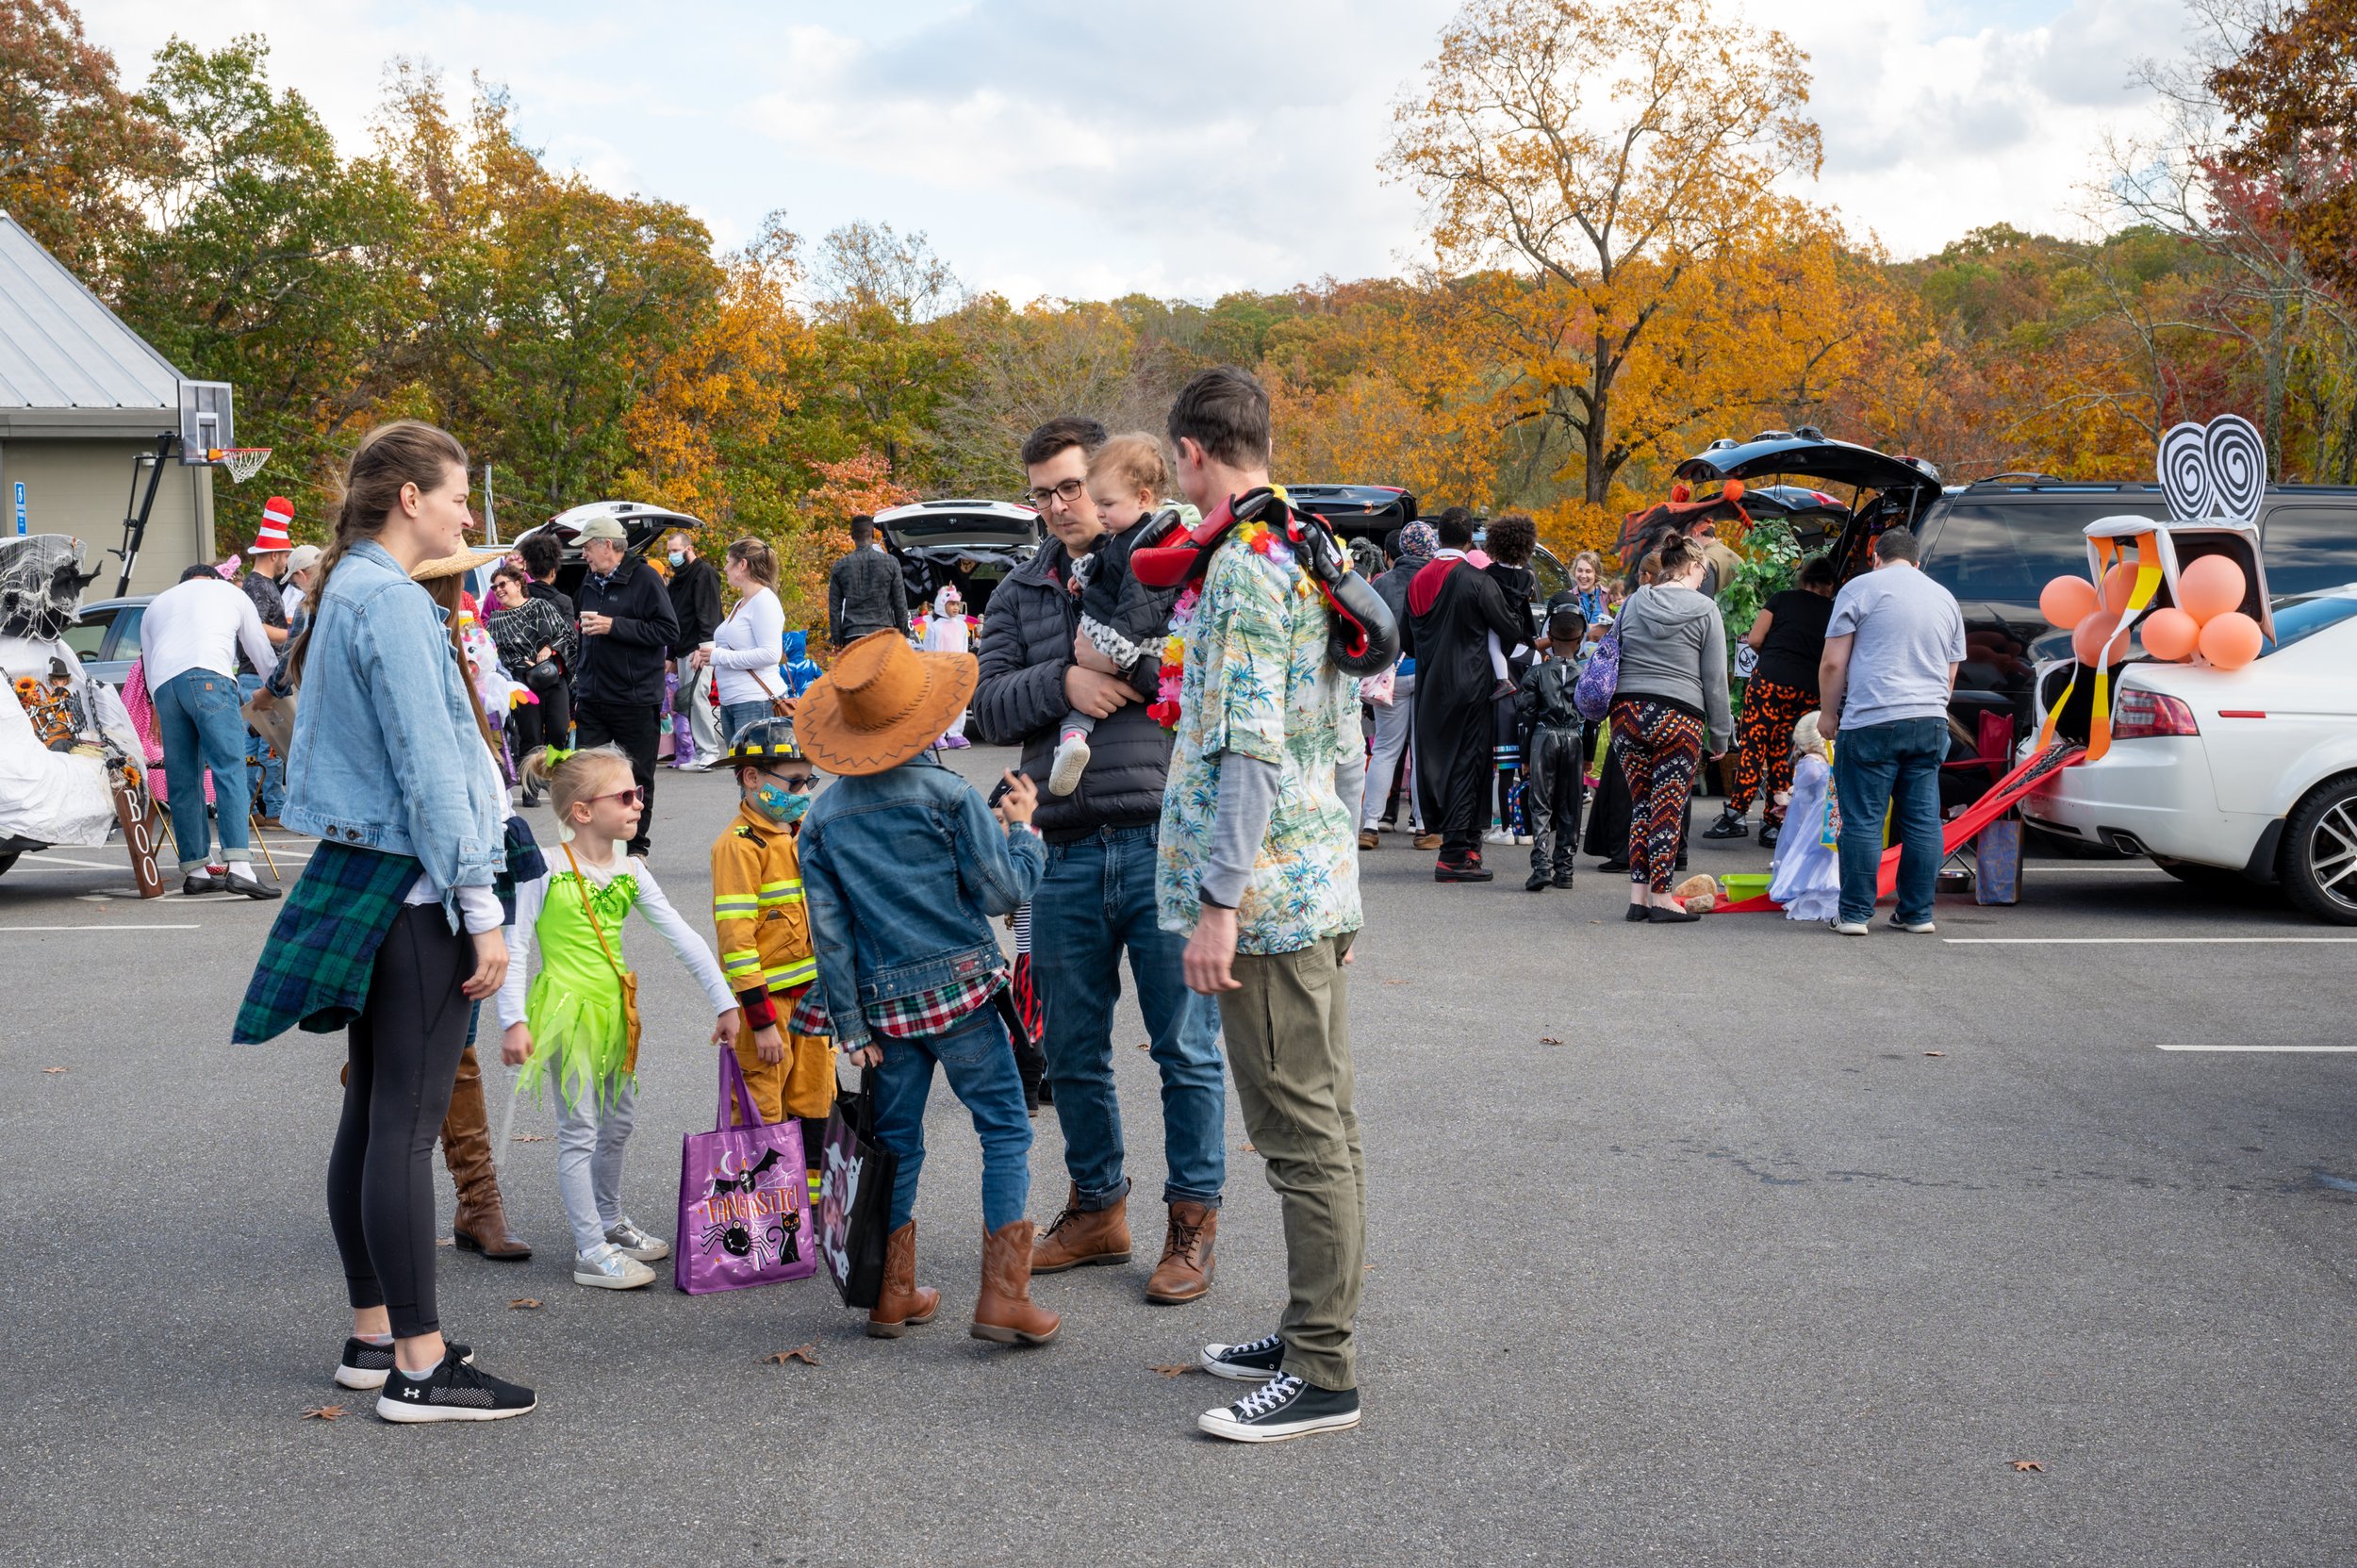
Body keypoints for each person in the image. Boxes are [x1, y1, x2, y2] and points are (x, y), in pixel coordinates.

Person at [232, 420, 534, 1422]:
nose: (464, 514)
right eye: (455, 495)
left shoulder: (343, 590)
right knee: (401, 1128)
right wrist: (483, 910)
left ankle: (373, 1337)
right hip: (414, 889)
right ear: (409, 496)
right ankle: (419, 1363)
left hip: (368, 877)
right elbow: (432, 770)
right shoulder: (391, 602)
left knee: (373, 1118)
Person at [1150, 365, 1368, 1444]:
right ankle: (1308, 1329)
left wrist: (1219, 902)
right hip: (1313, 875)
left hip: (1271, 898)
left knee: (1300, 1136)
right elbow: (1344, 729)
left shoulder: (1243, 565)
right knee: (1325, 1124)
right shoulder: (1306, 542)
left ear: (1192, 453)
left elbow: (1247, 741)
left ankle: (1325, 1372)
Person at [970, 415, 1228, 1308]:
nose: (1056, 507)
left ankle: (1191, 1224)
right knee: (1072, 1047)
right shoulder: (1017, 592)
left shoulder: (1168, 559)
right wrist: (1065, 684)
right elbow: (985, 708)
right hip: (1063, 847)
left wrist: (1132, 672)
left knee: (1185, 1049)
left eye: (1070, 488)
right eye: (1040, 493)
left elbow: (1209, 675)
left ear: (1110, 482)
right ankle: (1097, 1208)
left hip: (1162, 837)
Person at [796, 632, 1056, 1345]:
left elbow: (831, 934)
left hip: (881, 1010)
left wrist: (850, 1029)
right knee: (1004, 1126)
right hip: (965, 996)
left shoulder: (819, 819)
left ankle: (892, 1290)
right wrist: (1023, 831)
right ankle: (1004, 1297)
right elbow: (1003, 888)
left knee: (899, 1142)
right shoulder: (949, 795)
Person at [500, 744, 739, 1290]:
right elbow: (514, 946)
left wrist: (725, 1001)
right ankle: (590, 1249)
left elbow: (684, 937)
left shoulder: (631, 870)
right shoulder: (547, 867)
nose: (639, 804)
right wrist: (512, 1020)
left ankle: (609, 1221)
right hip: (567, 1012)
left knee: (619, 1123)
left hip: (617, 1014)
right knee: (580, 1130)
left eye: (641, 793)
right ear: (583, 811)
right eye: (627, 795)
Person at [1818, 527, 1965, 936]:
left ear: (1876, 558)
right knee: (1921, 821)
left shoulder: (1859, 589)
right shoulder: (1945, 598)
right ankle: (1917, 914)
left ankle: (1853, 915)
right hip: (1930, 721)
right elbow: (1950, 673)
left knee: (1863, 819)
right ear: (1917, 563)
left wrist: (1828, 714)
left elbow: (1833, 663)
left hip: (1871, 720)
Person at [709, 717, 832, 1199]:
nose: (804, 791)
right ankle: (761, 1208)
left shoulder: (803, 834)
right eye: (794, 781)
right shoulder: (737, 848)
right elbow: (736, 944)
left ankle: (811, 1209)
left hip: (814, 1008)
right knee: (762, 1106)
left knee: (815, 1101)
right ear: (752, 777)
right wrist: (759, 1021)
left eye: (810, 781)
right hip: (769, 1009)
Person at [1047, 432, 1186, 795]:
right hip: (1110, 635)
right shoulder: (1128, 536)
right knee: (1083, 681)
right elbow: (1109, 567)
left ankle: (1074, 738)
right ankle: (1074, 738)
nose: (1099, 513)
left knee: (1083, 686)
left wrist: (1118, 651)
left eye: (1106, 503)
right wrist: (1085, 576)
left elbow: (1140, 600)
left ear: (1142, 497)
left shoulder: (1150, 546)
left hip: (1124, 642)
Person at [140, 561, 282, 897]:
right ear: (215, 578)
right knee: (228, 769)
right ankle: (241, 867)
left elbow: (147, 662)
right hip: (209, 677)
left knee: (184, 779)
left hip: (165, 689)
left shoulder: (157, 603)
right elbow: (259, 650)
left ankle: (197, 869)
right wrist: (276, 690)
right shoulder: (229, 592)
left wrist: (156, 707)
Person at [1610, 532, 1731, 923]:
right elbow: (1714, 680)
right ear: (1694, 567)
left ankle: (1638, 897)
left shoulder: (1632, 603)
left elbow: (1613, 653)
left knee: (1642, 804)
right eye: (1704, 572)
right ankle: (1662, 898)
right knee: (1668, 807)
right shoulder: (1705, 609)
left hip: (1627, 715)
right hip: (1679, 718)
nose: (1704, 581)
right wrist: (1721, 735)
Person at [1404, 509, 1528, 882]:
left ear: (1439, 536)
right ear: (1468, 540)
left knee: (1439, 764)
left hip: (1430, 687)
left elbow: (1407, 642)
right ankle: (1456, 855)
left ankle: (1464, 848)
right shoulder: (1476, 580)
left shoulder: (1417, 580)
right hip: (1472, 685)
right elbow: (1510, 627)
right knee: (1468, 766)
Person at [1708, 553, 1838, 847]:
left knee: (1754, 744)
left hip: (1769, 682)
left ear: (1804, 579)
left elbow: (1755, 639)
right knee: (1784, 751)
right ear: (1830, 585)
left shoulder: (1781, 600)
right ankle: (1774, 821)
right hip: (1806, 690)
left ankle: (1736, 813)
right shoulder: (1834, 611)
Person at [570, 516, 678, 860]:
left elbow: (667, 631)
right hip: (592, 695)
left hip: (634, 697)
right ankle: (593, 845)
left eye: (587, 547)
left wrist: (614, 626)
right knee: (588, 775)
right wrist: (580, 679)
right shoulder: (589, 580)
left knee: (637, 774)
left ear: (606, 545)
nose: (583, 554)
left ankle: (635, 848)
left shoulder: (645, 578)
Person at [1361, 521, 1437, 850]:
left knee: (1384, 750)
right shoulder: (1436, 581)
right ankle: (1423, 826)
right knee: (1423, 752)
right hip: (1426, 673)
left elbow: (1368, 625)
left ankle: (1369, 825)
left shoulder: (1381, 583)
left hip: (1387, 673)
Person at [485, 564, 578, 797]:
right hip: (523, 685)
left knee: (558, 730)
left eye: (502, 584)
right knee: (531, 736)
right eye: (494, 587)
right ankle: (530, 788)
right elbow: (495, 657)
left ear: (518, 584)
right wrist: (517, 665)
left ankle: (554, 775)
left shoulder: (541, 607)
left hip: (552, 679)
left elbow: (565, 634)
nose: (498, 589)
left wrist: (549, 648)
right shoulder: (494, 621)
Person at [1515, 605, 1588, 892]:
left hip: (1543, 737)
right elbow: (1591, 721)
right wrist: (1589, 755)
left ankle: (1541, 864)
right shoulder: (1585, 673)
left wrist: (1524, 756)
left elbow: (1525, 717)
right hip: (1573, 739)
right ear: (1581, 639)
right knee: (1570, 803)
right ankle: (1565, 869)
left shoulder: (1536, 673)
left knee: (1541, 803)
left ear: (1549, 634)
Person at [692, 536, 788, 749]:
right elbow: (736, 645)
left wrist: (718, 656)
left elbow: (771, 654)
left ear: (742, 565)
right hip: (734, 701)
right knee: (744, 774)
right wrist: (708, 653)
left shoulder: (765, 601)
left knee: (756, 774)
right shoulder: (742, 603)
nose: (725, 568)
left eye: (728, 561)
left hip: (756, 700)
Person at [1480, 515, 1540, 843]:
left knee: (1503, 763)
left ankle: (1503, 827)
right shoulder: (1528, 577)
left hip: (1501, 641)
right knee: (1521, 763)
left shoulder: (1489, 575)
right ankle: (1525, 827)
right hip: (1522, 647)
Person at [238, 498, 296, 826]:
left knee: (255, 745)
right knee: (271, 744)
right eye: (286, 555)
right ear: (275, 554)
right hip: (259, 674)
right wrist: (290, 634)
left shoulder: (257, 585)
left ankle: (249, 808)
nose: (286, 561)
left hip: (253, 674)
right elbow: (256, 628)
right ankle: (273, 808)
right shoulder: (260, 586)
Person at [1766, 711, 1840, 922]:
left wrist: (1790, 794)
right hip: (1832, 814)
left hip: (1816, 817)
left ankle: (1810, 891)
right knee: (1829, 856)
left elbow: (1806, 787)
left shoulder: (1811, 760)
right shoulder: (1832, 756)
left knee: (1810, 854)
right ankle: (1831, 891)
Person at [827, 514, 910, 648]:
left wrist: (837, 640)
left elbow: (834, 608)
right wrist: (903, 632)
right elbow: (900, 603)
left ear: (852, 535)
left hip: (852, 635)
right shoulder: (891, 563)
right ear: (872, 533)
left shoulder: (840, 566)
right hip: (883, 633)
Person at [919, 585, 975, 748]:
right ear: (941, 605)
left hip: (957, 670)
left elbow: (964, 647)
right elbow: (929, 649)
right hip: (940, 671)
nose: (955, 608)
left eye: (957, 604)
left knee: (958, 702)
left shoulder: (962, 626)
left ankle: (955, 733)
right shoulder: (934, 627)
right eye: (951, 604)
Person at [518, 531, 575, 621]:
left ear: (530, 571)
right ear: (553, 572)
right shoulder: (564, 601)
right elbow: (571, 633)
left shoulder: (519, 595)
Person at [283, 543, 322, 621]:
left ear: (301, 575)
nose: (298, 587)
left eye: (295, 583)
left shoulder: (305, 607)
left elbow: (296, 633)